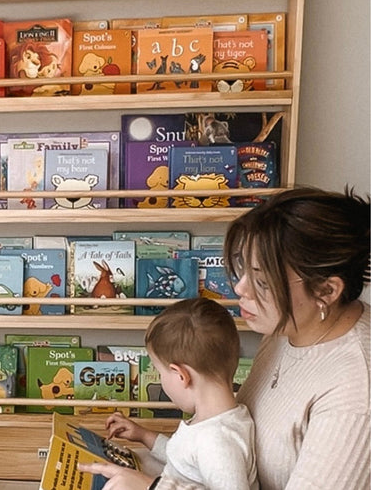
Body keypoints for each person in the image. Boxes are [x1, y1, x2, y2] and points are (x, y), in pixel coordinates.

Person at [80, 187, 370, 489]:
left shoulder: (355, 396)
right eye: (243, 269)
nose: (241, 288)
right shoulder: (286, 329)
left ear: (326, 290)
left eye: (261, 280)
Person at [91, 297, 257, 490]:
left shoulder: (218, 443)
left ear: (181, 375)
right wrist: (144, 436)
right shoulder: (213, 420)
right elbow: (184, 460)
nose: (161, 379)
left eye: (160, 372)